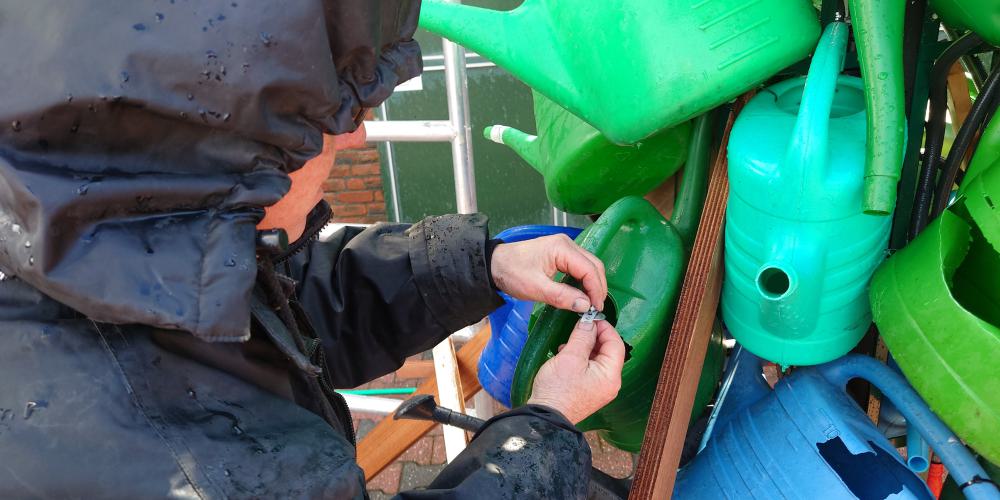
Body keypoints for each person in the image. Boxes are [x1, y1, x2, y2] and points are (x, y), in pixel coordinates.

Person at [0, 1, 625, 498]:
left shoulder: (96, 245)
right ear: (212, 144)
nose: (358, 139)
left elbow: (291, 304)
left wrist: (484, 264)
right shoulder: (196, 473)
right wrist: (546, 426)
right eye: (323, 115)